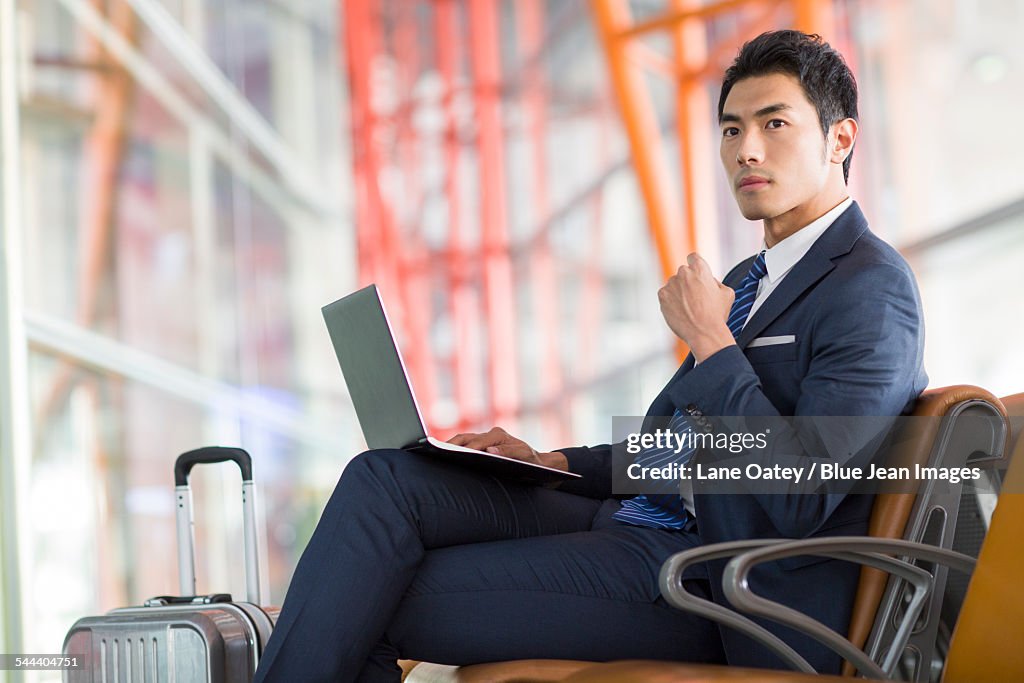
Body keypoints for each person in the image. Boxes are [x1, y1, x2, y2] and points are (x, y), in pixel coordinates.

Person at [253, 30, 927, 682]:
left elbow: (803, 490)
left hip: (715, 583)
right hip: (637, 521)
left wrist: (713, 344)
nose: (746, 148)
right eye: (731, 128)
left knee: (372, 592)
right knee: (385, 481)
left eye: (774, 124)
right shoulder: (755, 279)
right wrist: (554, 462)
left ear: (840, 138)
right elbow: (683, 449)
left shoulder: (870, 288)